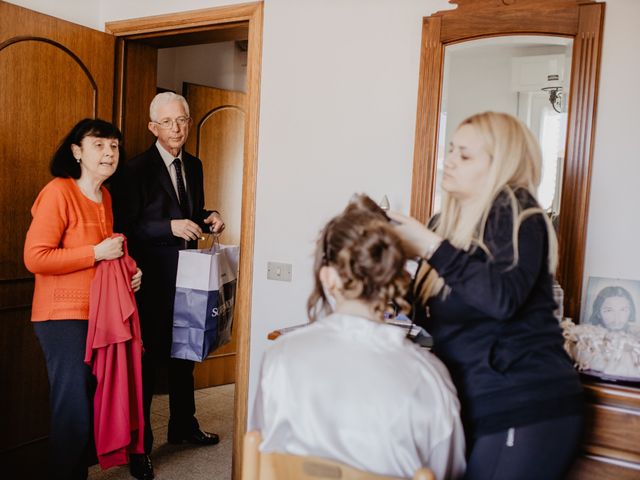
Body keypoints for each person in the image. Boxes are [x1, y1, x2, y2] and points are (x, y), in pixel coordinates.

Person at [388, 112, 584, 480]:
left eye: (465, 155)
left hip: (525, 403)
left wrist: (432, 248)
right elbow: (434, 314)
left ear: (500, 165)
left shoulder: (521, 214)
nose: (449, 161)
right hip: (471, 402)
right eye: (450, 150)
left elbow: (501, 300)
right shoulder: (442, 226)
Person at [252, 195, 466, 480]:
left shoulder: (280, 357)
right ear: (395, 277)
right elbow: (447, 471)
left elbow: (260, 442)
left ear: (328, 278)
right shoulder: (428, 376)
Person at [111, 92, 225, 480]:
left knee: (185, 357)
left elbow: (190, 212)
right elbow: (124, 227)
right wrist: (169, 227)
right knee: (145, 366)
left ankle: (183, 426)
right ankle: (139, 448)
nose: (176, 128)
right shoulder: (134, 170)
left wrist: (207, 216)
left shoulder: (194, 164)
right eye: (168, 122)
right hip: (150, 282)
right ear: (152, 127)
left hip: (190, 280)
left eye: (182, 120)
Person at [24, 118, 143, 480]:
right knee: (73, 410)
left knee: (90, 408)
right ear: (77, 152)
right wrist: (95, 253)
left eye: (114, 146)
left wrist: (128, 274)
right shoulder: (58, 192)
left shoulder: (104, 196)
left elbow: (107, 257)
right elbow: (35, 257)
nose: (109, 153)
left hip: (96, 317)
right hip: (60, 318)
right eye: (99, 145)